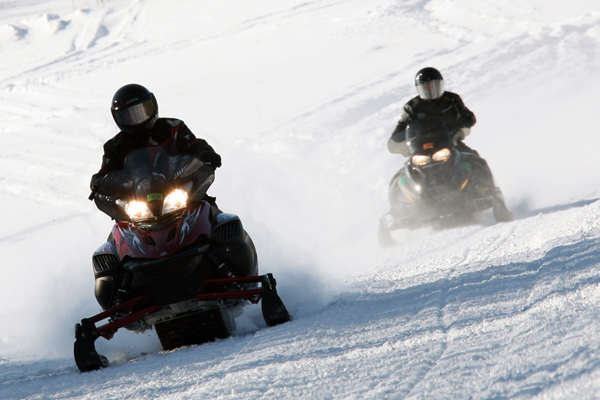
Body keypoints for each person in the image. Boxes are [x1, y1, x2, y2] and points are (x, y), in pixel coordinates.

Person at [89, 84, 222, 202]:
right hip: (137, 206)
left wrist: (204, 152)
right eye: (129, 115)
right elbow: (106, 171)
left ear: (152, 107)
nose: (137, 119)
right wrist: (99, 182)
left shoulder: (173, 128)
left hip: (180, 194)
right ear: (118, 118)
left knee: (218, 218)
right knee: (118, 230)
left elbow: (193, 144)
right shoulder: (115, 146)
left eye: (141, 112)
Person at [388, 67, 477, 156]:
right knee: (407, 168)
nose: (430, 88)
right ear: (419, 88)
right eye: (426, 86)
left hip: (451, 142)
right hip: (422, 147)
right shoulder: (412, 107)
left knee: (473, 158)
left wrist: (455, 127)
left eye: (433, 84)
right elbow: (400, 129)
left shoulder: (451, 99)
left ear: (440, 84)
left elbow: (468, 117)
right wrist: (400, 139)